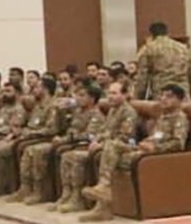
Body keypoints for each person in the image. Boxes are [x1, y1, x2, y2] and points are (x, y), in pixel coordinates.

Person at [79, 84, 191, 221]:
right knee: (109, 149)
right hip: (143, 148)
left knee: (112, 147)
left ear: (180, 100)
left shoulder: (180, 118)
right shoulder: (163, 116)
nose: (163, 99)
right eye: (162, 95)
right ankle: (102, 203)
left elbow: (178, 143)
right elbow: (156, 136)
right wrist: (146, 143)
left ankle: (105, 187)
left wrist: (155, 148)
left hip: (156, 155)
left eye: (169, 97)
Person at [56, 83, 137, 212]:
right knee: (68, 156)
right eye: (109, 93)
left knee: (108, 147)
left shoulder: (128, 112)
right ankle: (71, 195)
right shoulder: (112, 110)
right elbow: (105, 131)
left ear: (125, 95)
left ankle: (103, 186)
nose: (110, 97)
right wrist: (97, 140)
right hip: (108, 144)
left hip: (126, 145)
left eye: (114, 93)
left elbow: (124, 136)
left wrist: (101, 144)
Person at [37, 81, 104, 211]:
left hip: (86, 145)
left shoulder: (96, 114)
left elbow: (87, 135)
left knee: (72, 157)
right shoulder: (78, 111)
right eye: (77, 95)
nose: (78, 98)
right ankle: (66, 194)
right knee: (66, 156)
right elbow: (67, 126)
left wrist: (64, 140)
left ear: (92, 99)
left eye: (82, 95)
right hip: (73, 143)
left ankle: (77, 198)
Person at [133, 21, 191, 99]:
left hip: (162, 94)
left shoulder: (149, 49)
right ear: (167, 32)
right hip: (183, 93)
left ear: (151, 35)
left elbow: (142, 78)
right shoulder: (183, 48)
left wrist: (138, 98)